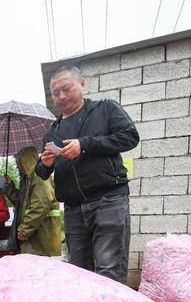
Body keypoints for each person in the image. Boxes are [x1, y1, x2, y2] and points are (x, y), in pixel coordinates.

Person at [35, 65, 139, 284]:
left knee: (108, 269)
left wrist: (85, 144)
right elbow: (42, 172)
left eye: (67, 88)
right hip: (73, 209)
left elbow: (130, 136)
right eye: (56, 93)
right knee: (79, 274)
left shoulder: (105, 109)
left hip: (108, 200)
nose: (61, 96)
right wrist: (44, 163)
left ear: (82, 84)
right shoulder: (53, 131)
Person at [5, 146, 61, 256]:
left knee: (40, 271)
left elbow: (41, 204)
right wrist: (9, 187)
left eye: (19, 162)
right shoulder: (28, 179)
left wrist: (25, 229)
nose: (17, 166)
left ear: (26, 161)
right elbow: (21, 203)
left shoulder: (39, 177)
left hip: (41, 238)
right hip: (35, 238)